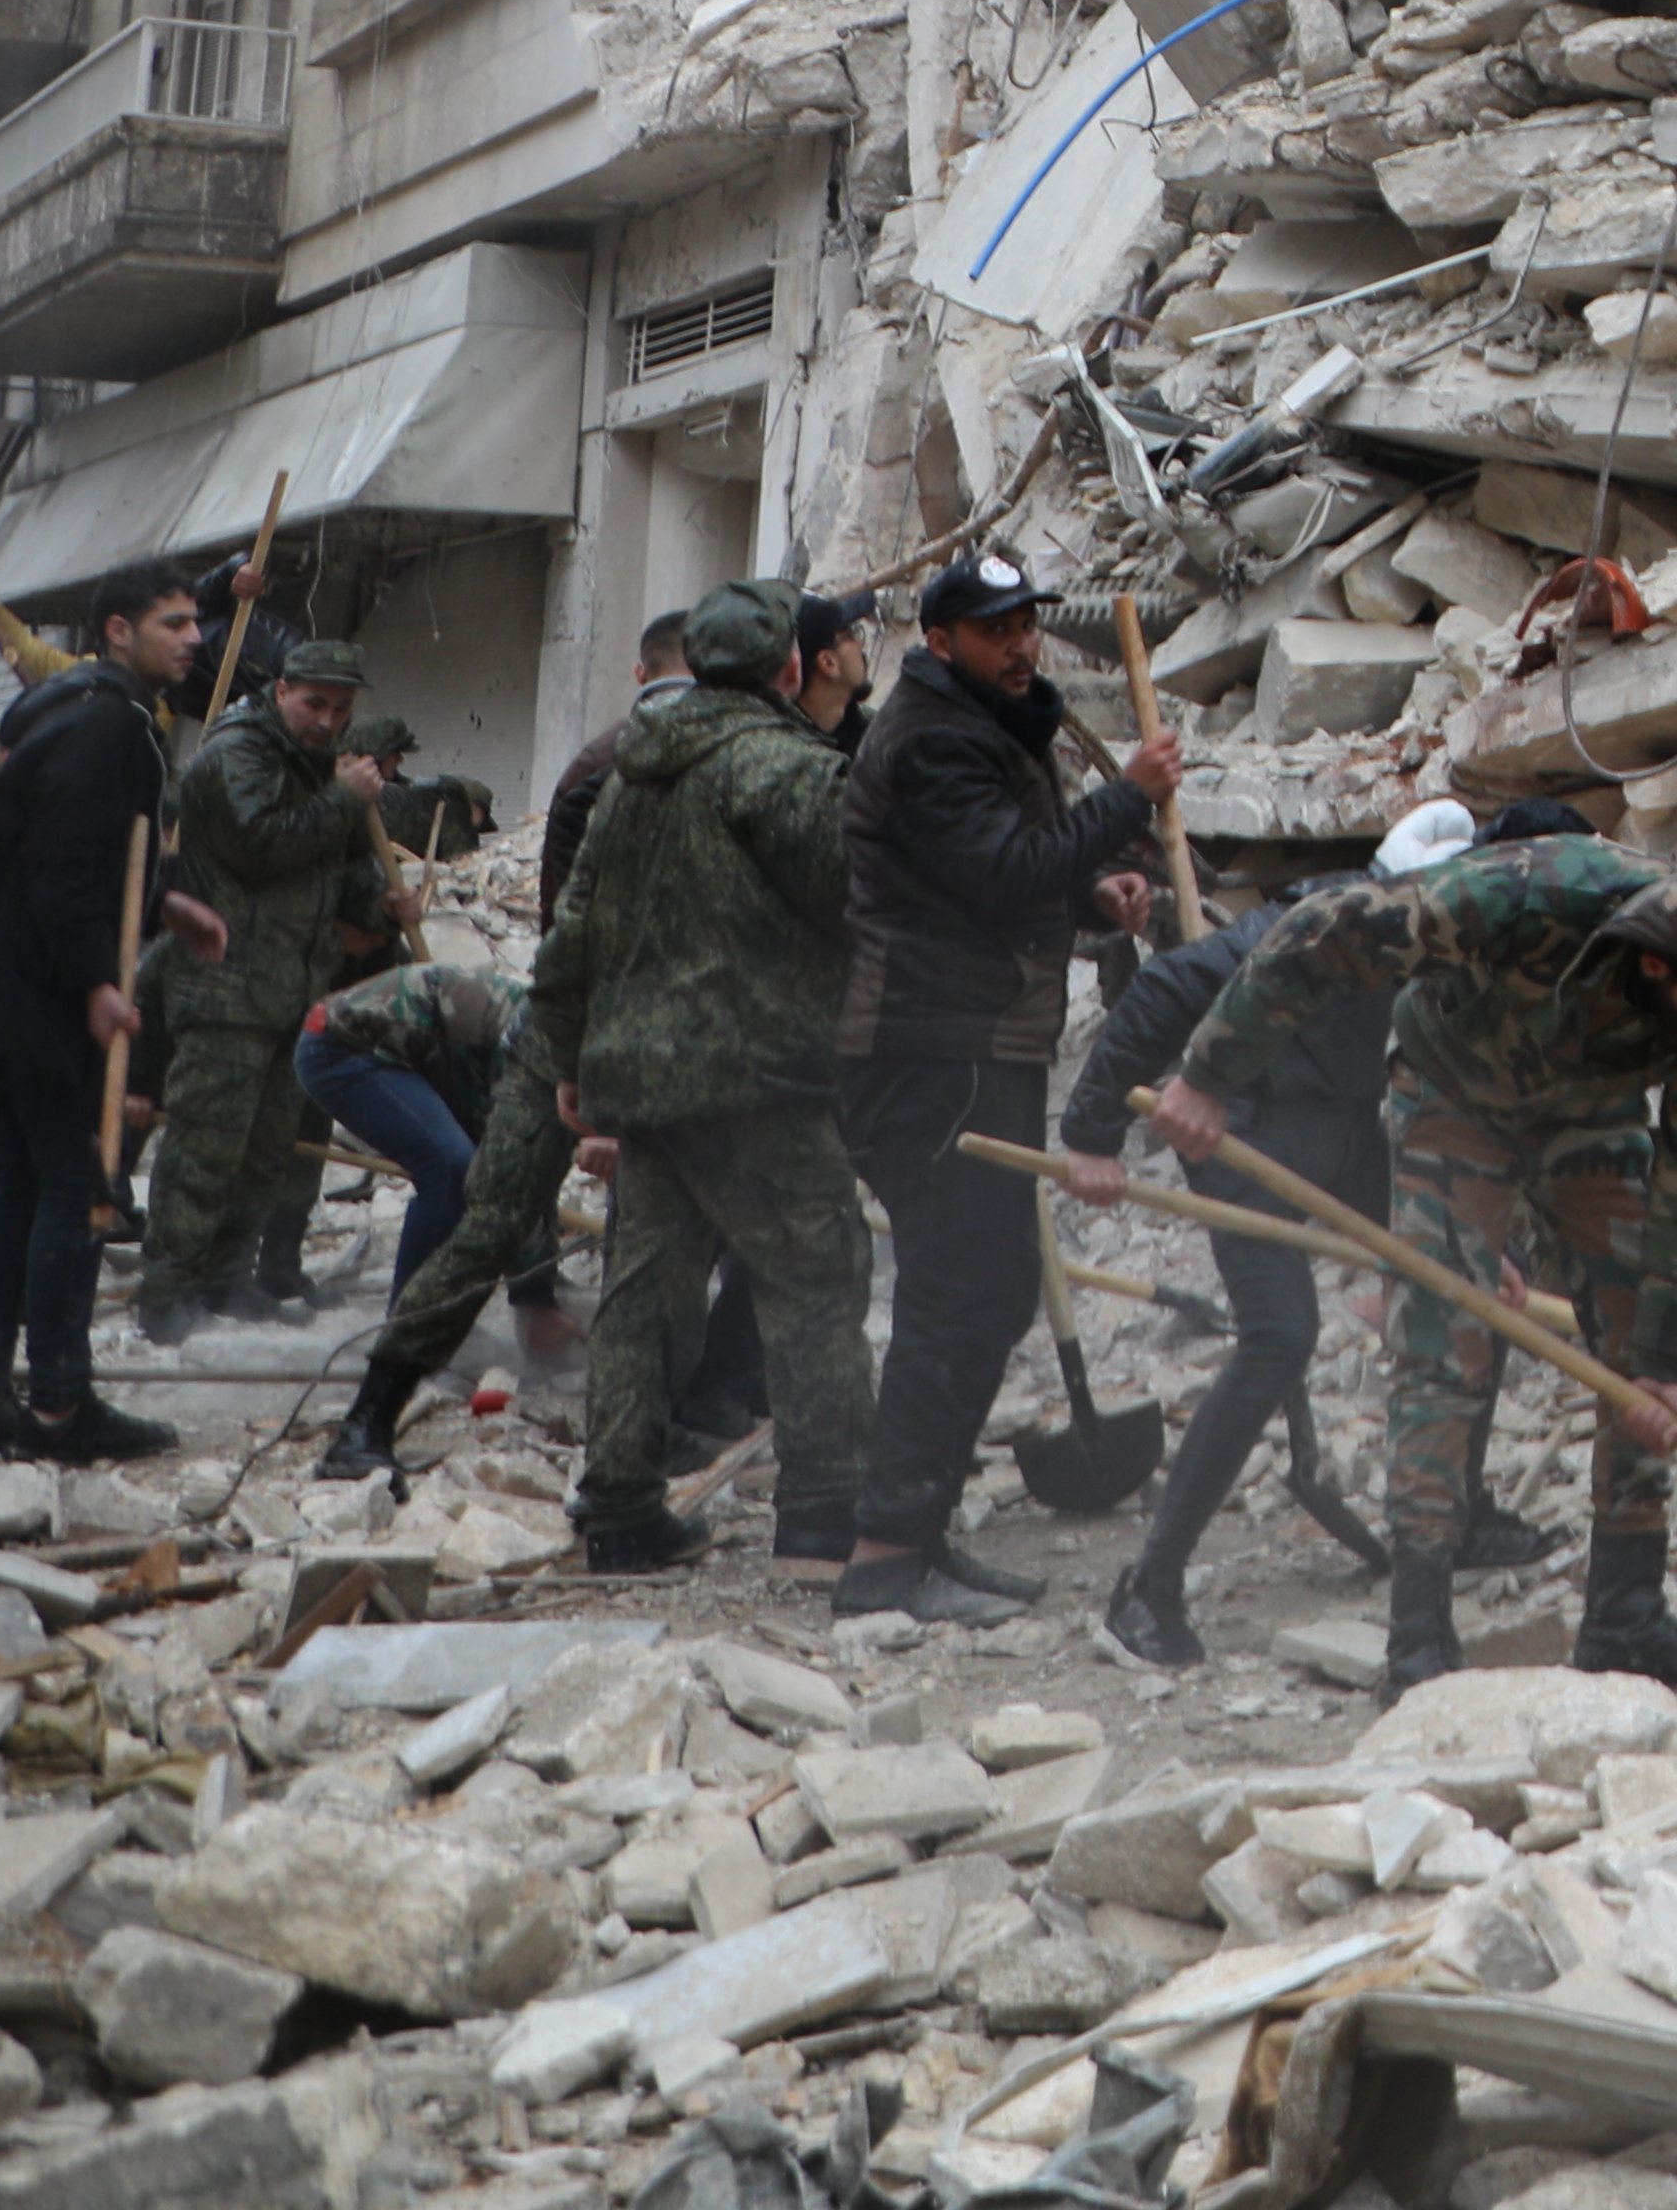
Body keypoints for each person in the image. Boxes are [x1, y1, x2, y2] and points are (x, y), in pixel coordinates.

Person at [1162, 833, 1677, 1694]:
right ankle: (1419, 1639)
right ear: (1660, 960)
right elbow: (1320, 930)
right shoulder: (1529, 896)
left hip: (1590, 1109)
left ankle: (1624, 1617)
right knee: (1443, 1344)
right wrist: (1210, 1070)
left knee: (1636, 1345)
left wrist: (1668, 1359)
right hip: (1452, 1091)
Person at [835, 545, 1172, 1628]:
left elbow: (1010, 879)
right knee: (952, 1292)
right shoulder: (932, 741)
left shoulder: (977, 726)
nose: (1021, 644)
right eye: (994, 629)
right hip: (932, 1049)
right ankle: (886, 1553)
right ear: (940, 642)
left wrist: (1090, 889)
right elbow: (996, 871)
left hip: (979, 1042)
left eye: (1027, 622)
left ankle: (920, 1531)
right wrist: (1126, 800)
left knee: (992, 1290)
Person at [538, 577, 880, 1580]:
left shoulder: (633, 775)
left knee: (645, 1295)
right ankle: (822, 1514)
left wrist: (568, 1059)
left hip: (643, 1078)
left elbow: (574, 933)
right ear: (786, 668)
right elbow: (857, 899)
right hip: (757, 1075)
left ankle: (621, 1509)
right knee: (817, 1279)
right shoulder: (787, 767)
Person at [1065, 814, 1436, 1672]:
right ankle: (1147, 1591)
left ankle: (1463, 1516)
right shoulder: (1308, 931)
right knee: (1282, 1333)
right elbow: (1159, 995)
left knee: (1460, 1271)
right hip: (1242, 1133)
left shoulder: (1448, 942)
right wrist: (1089, 1134)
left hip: (1338, 1130)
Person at [0, 572, 229, 1461]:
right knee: (78, 1190)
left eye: (196, 621)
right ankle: (58, 1408)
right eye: (174, 623)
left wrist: (169, 905)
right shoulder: (107, 723)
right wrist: (95, 982)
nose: (194, 637)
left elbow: (105, 853)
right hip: (38, 999)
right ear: (118, 631)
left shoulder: (76, 713)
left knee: (20, 1189)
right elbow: (64, 865)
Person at [136, 636, 378, 1340]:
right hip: (225, 990)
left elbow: (328, 870)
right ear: (280, 691)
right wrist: (341, 800)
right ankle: (167, 1292)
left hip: (287, 989)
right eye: (314, 703)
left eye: (342, 707)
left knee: (265, 1153)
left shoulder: (309, 764)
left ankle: (225, 1281)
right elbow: (262, 844)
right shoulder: (236, 752)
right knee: (207, 1148)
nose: (328, 720)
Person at [290, 956, 573, 1355]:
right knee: (450, 1168)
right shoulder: (537, 1052)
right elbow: (515, 1168)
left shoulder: (566, 1050)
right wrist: (535, 1303)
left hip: (412, 1054)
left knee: (473, 1164)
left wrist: (537, 1292)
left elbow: (537, 1168)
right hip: (342, 1045)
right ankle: (408, 1332)